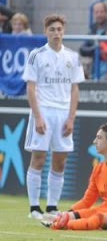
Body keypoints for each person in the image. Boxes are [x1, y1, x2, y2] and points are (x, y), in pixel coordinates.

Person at [22, 14, 85, 220]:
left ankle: (51, 207)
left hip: (63, 114)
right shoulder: (36, 55)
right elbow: (31, 89)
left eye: (59, 29)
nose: (56, 33)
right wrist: (38, 117)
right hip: (44, 111)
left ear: (63, 32)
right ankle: (33, 208)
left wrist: (71, 118)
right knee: (38, 159)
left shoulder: (73, 57)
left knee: (60, 161)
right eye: (52, 30)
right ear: (45, 32)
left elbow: (75, 90)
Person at [42, 122, 107, 231]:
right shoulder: (98, 169)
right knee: (76, 215)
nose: (94, 141)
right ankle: (62, 220)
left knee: (97, 218)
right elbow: (87, 200)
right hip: (104, 209)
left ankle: (65, 225)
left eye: (99, 138)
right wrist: (68, 213)